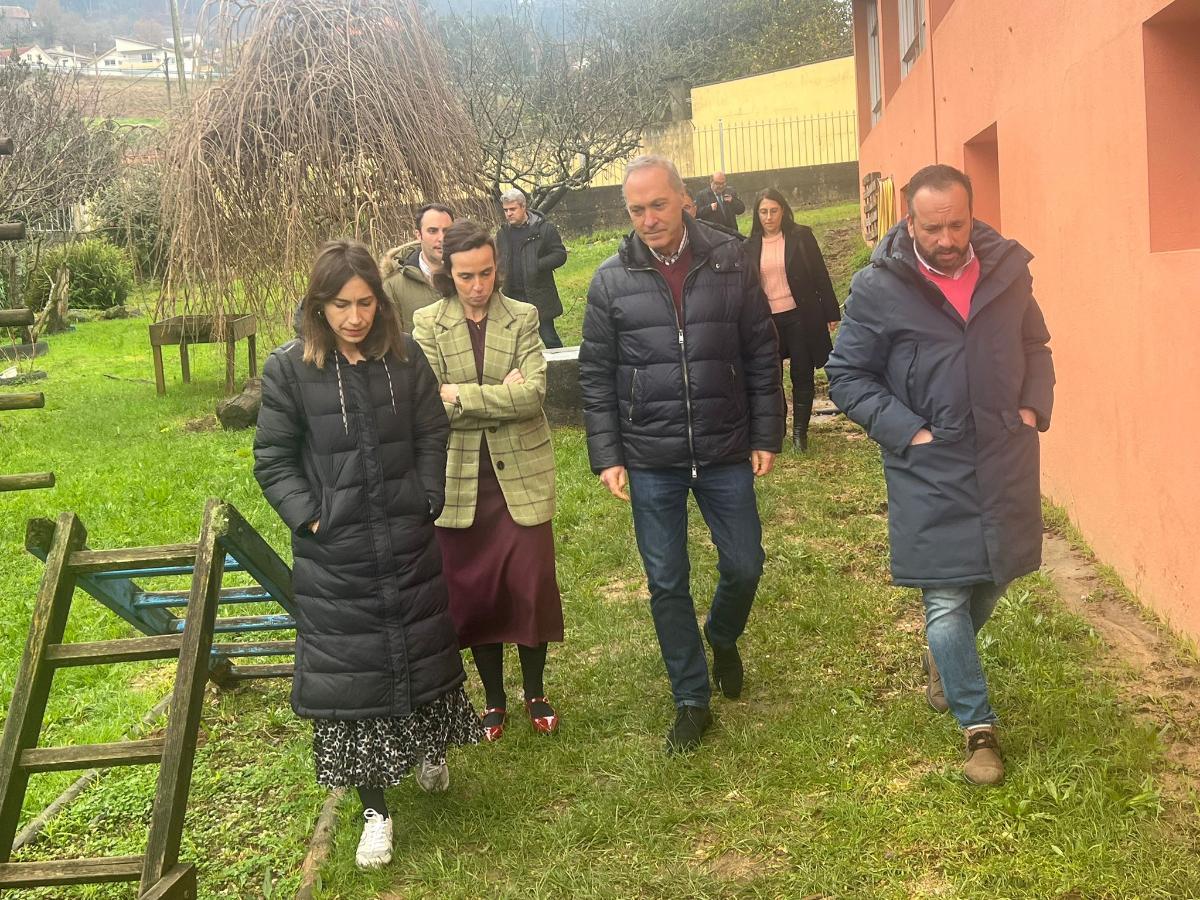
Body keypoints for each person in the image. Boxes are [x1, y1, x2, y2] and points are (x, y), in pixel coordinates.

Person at [254, 239, 480, 869]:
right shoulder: (289, 369)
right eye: (340, 305)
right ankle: (375, 809)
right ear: (318, 307)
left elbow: (432, 429)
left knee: (421, 652)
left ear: (381, 303)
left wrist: (428, 494)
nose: (354, 317)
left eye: (364, 303)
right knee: (352, 681)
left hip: (407, 538)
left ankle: (430, 750)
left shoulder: (404, 357)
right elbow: (272, 459)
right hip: (338, 555)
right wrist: (311, 516)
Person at [826, 164, 1054, 786]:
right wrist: (908, 431)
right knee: (946, 595)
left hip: (1003, 453)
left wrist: (1032, 407)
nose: (947, 239)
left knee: (997, 573)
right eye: (933, 228)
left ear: (972, 215)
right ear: (909, 221)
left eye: (958, 224)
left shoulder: (1008, 270)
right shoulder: (879, 286)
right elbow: (846, 375)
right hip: (928, 462)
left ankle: (943, 656)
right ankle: (978, 728)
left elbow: (1035, 345)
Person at [579, 155, 785, 754]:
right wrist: (608, 454)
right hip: (651, 456)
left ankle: (721, 635)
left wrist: (765, 434)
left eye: (658, 205)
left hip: (723, 446)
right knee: (667, 582)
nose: (648, 219)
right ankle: (691, 699)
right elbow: (596, 375)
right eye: (636, 210)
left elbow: (760, 352)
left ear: (683, 200)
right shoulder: (611, 280)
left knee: (745, 564)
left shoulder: (730, 259)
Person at [412, 220, 564, 742]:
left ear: (497, 267)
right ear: (447, 274)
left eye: (486, 273)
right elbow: (428, 406)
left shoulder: (523, 316)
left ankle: (535, 691)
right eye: (466, 276)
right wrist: (498, 393)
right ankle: (494, 699)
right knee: (476, 594)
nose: (478, 286)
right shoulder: (427, 324)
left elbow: (533, 395)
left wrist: (461, 394)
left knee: (529, 585)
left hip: (521, 477)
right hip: (460, 481)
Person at [745, 188, 841, 451]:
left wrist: (831, 312)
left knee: (802, 374)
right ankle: (779, 430)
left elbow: (820, 274)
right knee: (771, 378)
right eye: (763, 212)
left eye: (773, 211)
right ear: (757, 215)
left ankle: (800, 433)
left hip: (801, 315)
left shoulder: (802, 236)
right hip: (768, 322)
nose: (768, 217)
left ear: (783, 211)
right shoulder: (748, 246)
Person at [496, 188, 569, 349]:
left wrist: (536, 265)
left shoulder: (544, 229)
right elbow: (498, 259)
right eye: (506, 210)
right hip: (512, 296)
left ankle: (562, 363)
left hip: (538, 295)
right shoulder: (503, 234)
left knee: (549, 338)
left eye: (512, 209)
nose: (508, 214)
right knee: (513, 342)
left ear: (523, 207)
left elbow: (559, 255)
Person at [381, 202, 454, 332]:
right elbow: (391, 338)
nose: (441, 238)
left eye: (447, 231)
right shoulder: (394, 285)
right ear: (418, 235)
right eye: (432, 231)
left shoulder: (470, 276)